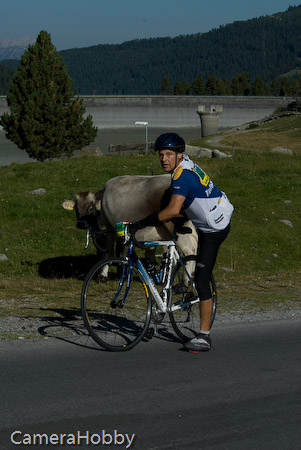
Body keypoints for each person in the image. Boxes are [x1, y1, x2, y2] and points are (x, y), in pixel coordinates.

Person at [129, 133, 234, 352]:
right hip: (209, 212)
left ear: (180, 155)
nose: (163, 159)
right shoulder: (183, 167)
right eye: (161, 155)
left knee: (202, 281)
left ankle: (204, 336)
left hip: (214, 228)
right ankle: (166, 273)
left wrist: (141, 223)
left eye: (169, 154)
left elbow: (172, 210)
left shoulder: (182, 176)